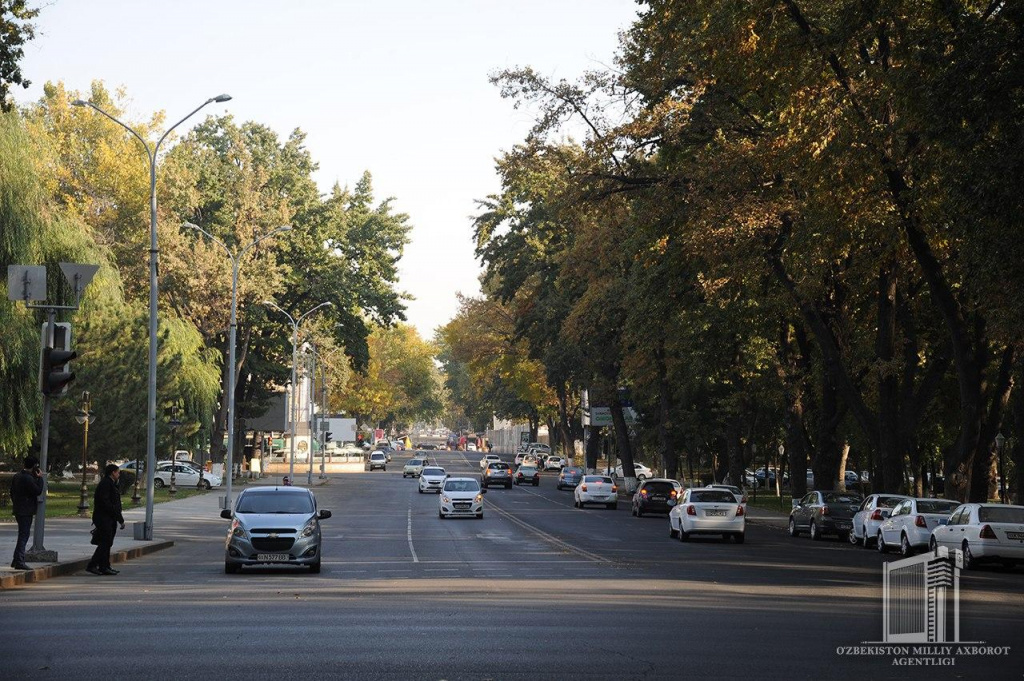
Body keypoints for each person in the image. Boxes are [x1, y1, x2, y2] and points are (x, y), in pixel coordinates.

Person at [87, 463, 124, 576]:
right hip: (104, 517)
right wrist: (119, 518)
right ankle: (93, 565)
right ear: (113, 472)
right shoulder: (106, 484)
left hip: (109, 517)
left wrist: (118, 517)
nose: (119, 475)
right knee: (105, 542)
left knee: (108, 543)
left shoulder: (111, 483)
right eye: (118, 472)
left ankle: (105, 566)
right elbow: (106, 502)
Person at [10, 456, 44, 570]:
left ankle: (16, 559)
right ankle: (19, 560)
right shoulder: (28, 479)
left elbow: (12, 492)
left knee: (22, 534)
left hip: (18, 508)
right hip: (26, 510)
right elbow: (37, 491)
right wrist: (40, 478)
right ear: (34, 466)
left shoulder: (17, 476)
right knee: (24, 535)